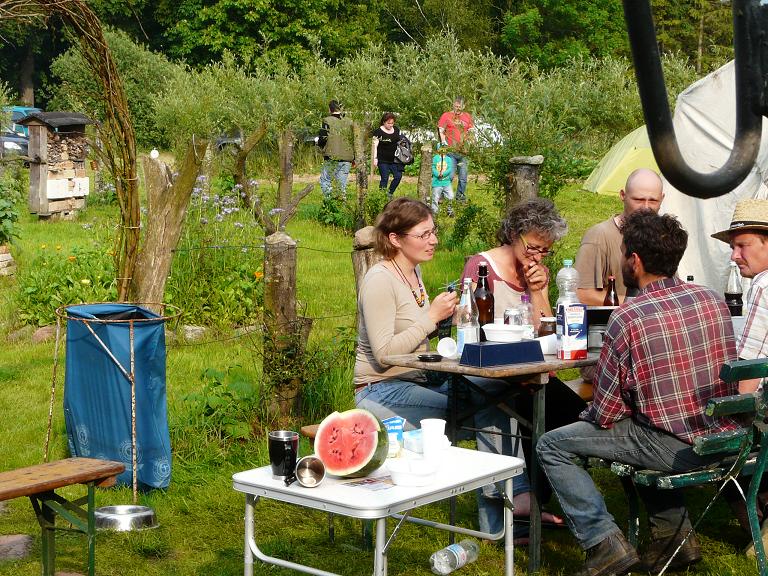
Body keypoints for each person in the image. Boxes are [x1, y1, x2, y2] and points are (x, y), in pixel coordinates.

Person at [537, 210, 738, 576]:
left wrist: (584, 415)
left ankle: (603, 543)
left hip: (677, 447)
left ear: (635, 260)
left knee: (552, 445)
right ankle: (673, 539)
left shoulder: (629, 316)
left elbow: (607, 412)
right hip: (723, 437)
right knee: (644, 427)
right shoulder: (711, 299)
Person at [354, 198, 533, 538]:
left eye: (433, 232)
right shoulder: (379, 280)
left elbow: (416, 337)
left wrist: (447, 320)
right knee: (488, 406)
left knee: (501, 391)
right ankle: (508, 511)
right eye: (423, 234)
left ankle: (509, 506)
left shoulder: (413, 272)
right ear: (395, 239)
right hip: (380, 390)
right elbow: (384, 354)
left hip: (418, 378)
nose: (433, 240)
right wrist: (431, 318)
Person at [460, 197, 582, 534]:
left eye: (546, 251)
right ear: (514, 233)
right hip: (493, 375)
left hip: (533, 371)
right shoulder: (481, 268)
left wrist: (538, 289)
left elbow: (548, 328)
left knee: (574, 414)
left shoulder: (536, 274)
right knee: (538, 412)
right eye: (533, 247)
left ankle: (538, 500)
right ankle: (526, 508)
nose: (537, 256)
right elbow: (471, 330)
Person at [712, 199, 768, 546]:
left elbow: (750, 367)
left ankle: (758, 532)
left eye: (742, 245)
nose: (734, 255)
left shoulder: (764, 285)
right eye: (733, 247)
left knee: (715, 440)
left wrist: (731, 420)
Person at [574, 168, 664, 305]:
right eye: (638, 199)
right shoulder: (599, 237)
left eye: (653, 201)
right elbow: (581, 295)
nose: (646, 207)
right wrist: (640, 304)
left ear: (662, 198)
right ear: (623, 195)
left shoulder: (663, 237)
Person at [437, 97, 473, 203]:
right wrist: (444, 142)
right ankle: (443, 195)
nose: (458, 109)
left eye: (460, 107)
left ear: (463, 106)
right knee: (450, 175)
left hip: (463, 151)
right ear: (453, 105)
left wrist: (469, 142)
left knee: (463, 176)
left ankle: (460, 197)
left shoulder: (467, 116)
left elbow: (471, 130)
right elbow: (441, 130)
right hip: (451, 151)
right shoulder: (446, 115)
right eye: (456, 106)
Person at [318, 100, 355, 199]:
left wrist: (321, 147)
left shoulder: (327, 121)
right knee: (341, 183)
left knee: (326, 180)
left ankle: (330, 202)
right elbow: (354, 139)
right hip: (347, 157)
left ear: (330, 109)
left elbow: (322, 139)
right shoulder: (350, 122)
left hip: (331, 156)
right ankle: (341, 203)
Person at [372, 112, 404, 198]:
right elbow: (374, 146)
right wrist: (374, 158)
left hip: (394, 159)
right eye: (388, 123)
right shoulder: (378, 132)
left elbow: (402, 141)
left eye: (392, 123)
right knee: (385, 178)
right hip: (382, 160)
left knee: (398, 176)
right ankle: (381, 196)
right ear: (384, 122)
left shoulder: (396, 130)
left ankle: (390, 193)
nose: (391, 125)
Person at [431, 144, 454, 216]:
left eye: (445, 148)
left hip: (446, 182)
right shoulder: (435, 158)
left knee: (450, 196)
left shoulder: (448, 159)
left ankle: (449, 211)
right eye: (442, 148)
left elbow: (449, 168)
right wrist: (438, 174)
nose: (443, 150)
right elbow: (433, 167)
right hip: (437, 183)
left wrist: (443, 174)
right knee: (435, 197)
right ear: (438, 149)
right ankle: (435, 212)